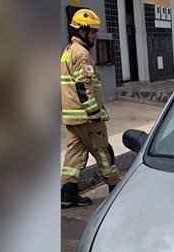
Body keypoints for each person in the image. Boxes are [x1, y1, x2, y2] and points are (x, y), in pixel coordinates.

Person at [60, 9, 120, 208]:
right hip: (87, 117)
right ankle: (115, 191)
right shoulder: (82, 54)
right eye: (93, 31)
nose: (96, 35)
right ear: (81, 31)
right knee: (103, 151)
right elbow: (83, 86)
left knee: (74, 156)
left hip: (72, 117)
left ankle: (68, 194)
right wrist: (94, 112)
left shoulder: (68, 51)